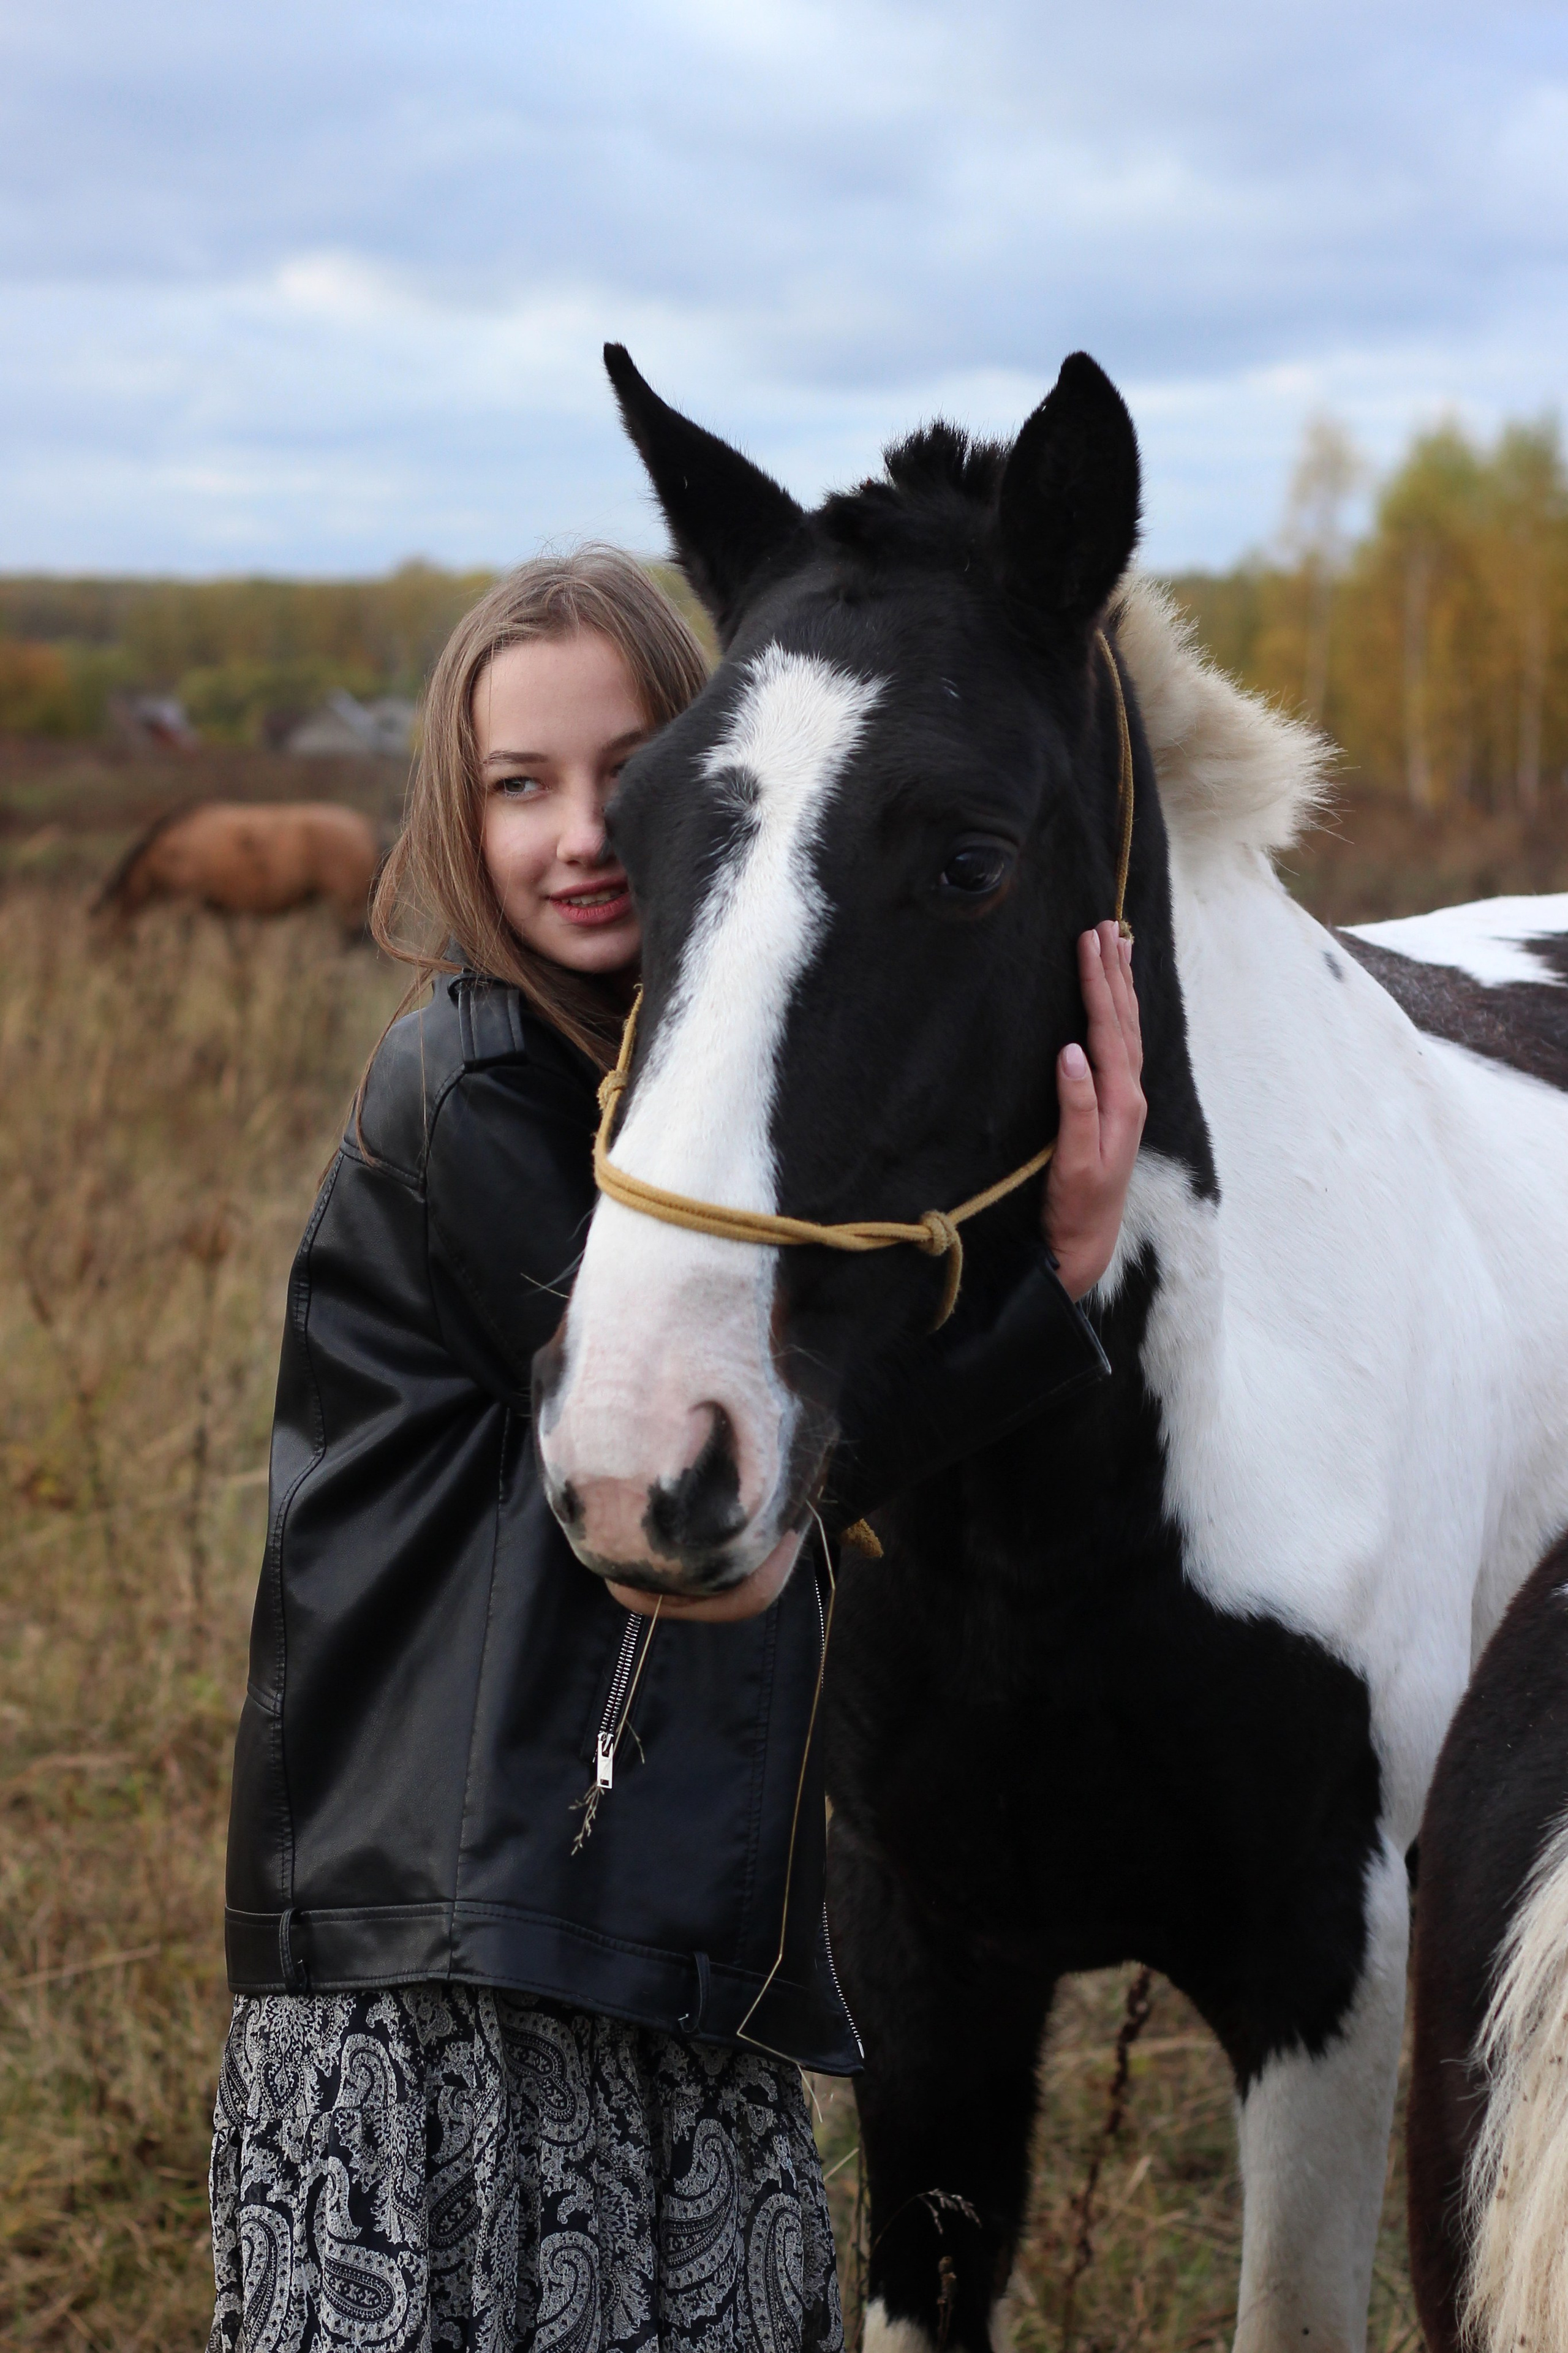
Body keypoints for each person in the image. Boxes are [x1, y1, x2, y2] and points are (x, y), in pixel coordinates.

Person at [208, 548, 1147, 2353]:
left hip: (623, 1938)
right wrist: (1056, 1281)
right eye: (513, 785)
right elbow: (693, 1503)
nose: (572, 834)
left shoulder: (657, 1113)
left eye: (618, 778)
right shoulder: (482, 1091)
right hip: (453, 1960)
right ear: (450, 810)